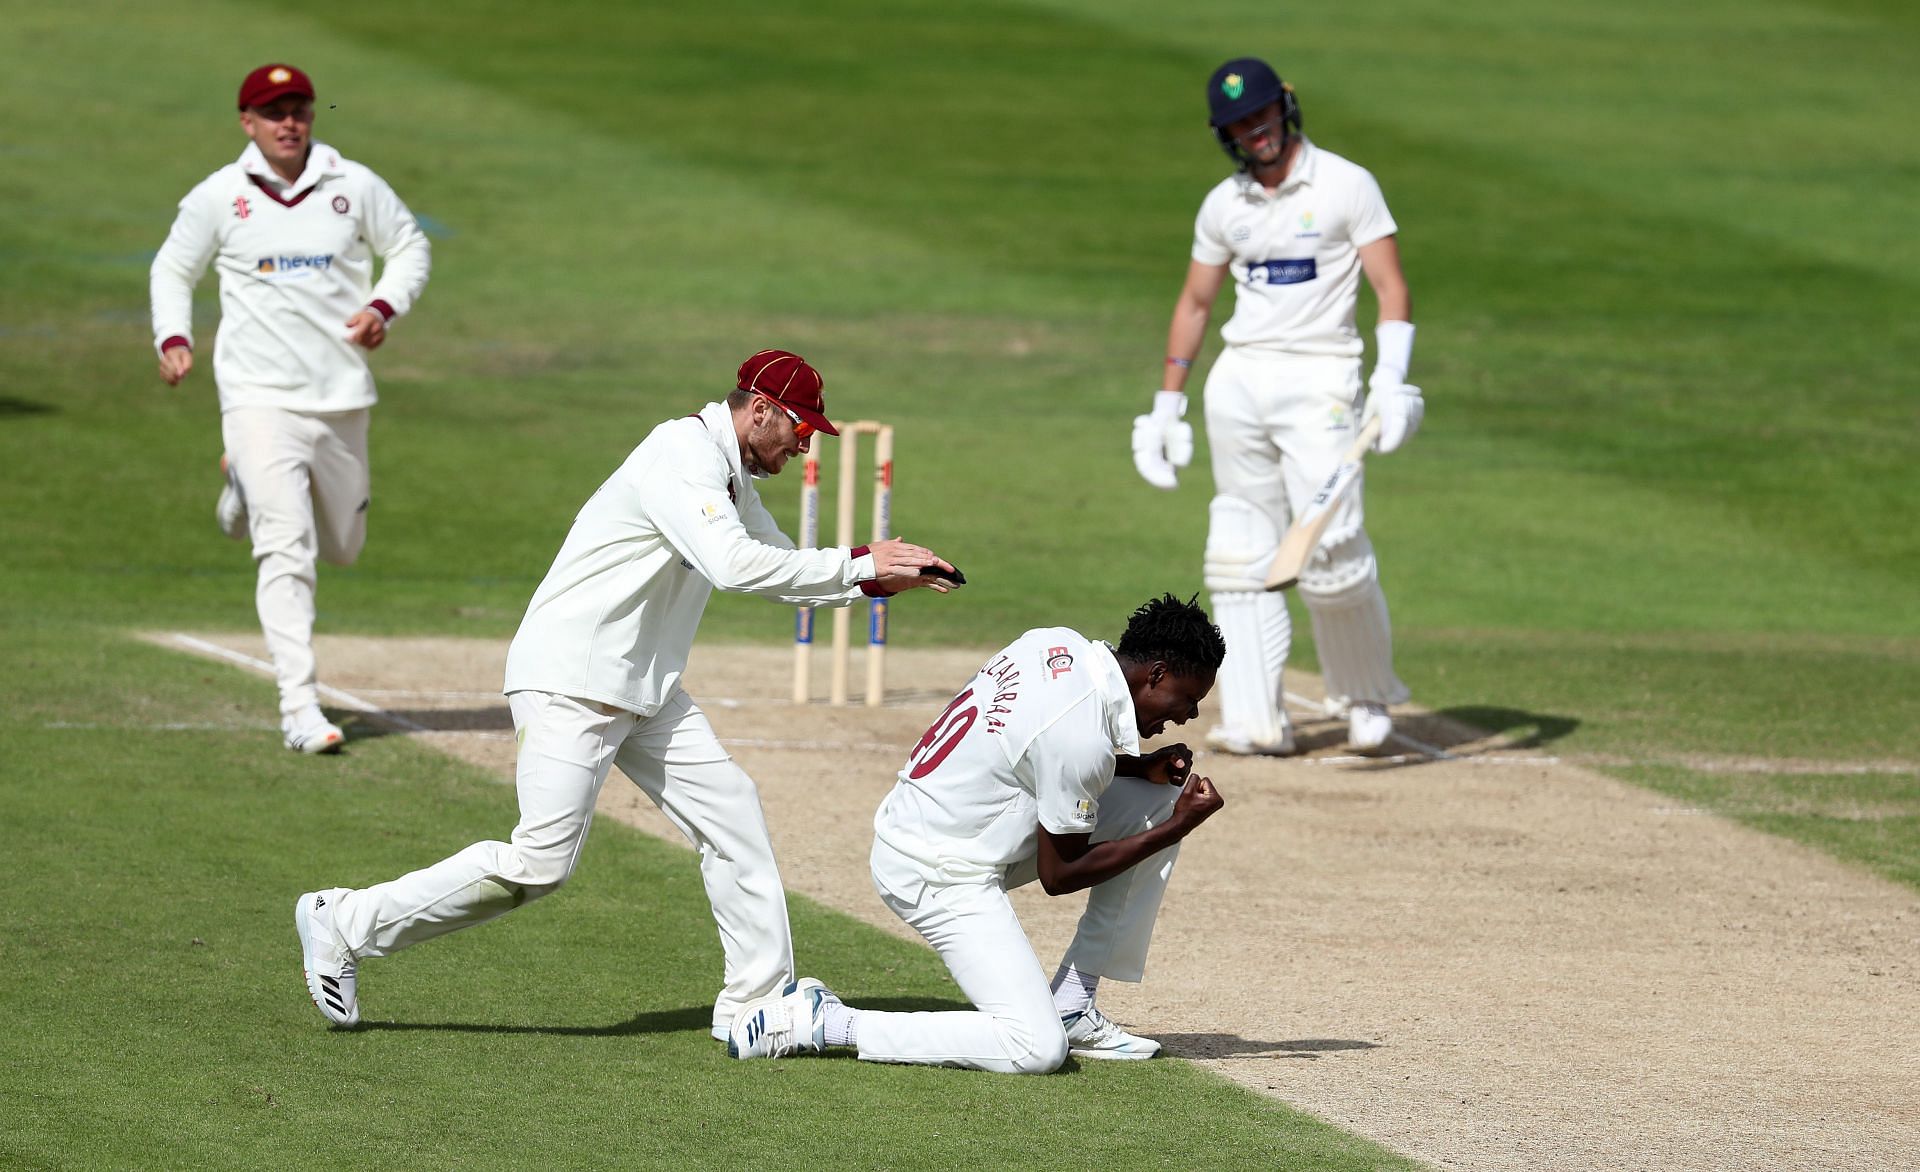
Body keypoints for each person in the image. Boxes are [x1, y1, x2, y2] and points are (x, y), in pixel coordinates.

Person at [293, 350, 960, 1038]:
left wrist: (876, 577)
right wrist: (859, 564)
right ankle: (341, 922)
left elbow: (783, 568)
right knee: (540, 863)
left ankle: (756, 1005)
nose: (805, 443)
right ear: (759, 410)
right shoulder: (681, 454)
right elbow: (731, 566)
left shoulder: (731, 480)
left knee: (733, 813)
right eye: (800, 427)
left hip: (644, 687)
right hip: (573, 680)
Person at [727, 594, 1226, 1073]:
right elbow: (1061, 873)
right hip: (934, 870)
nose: (1190, 715)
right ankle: (828, 1022)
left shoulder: (1056, 644)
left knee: (1154, 801)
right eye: (1189, 698)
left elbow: (1037, 745)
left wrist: (1139, 769)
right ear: (1156, 674)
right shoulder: (1078, 738)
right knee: (1034, 1048)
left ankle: (1074, 1003)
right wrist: (1180, 826)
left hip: (935, 823)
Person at [1130, 57, 1421, 755]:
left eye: (1260, 117)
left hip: (1322, 379)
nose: (1253, 131)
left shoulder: (1348, 185)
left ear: (1283, 110)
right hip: (1240, 382)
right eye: (1238, 124)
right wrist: (1165, 407)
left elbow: (1391, 290)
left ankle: (1364, 695)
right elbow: (1197, 302)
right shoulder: (1224, 205)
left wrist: (1392, 381)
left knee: (1333, 546)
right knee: (1240, 549)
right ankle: (1256, 719)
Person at [149, 63, 433, 754]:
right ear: (247, 122)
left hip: (340, 395)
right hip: (256, 396)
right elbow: (173, 269)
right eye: (272, 111)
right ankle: (300, 708)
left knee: (342, 546)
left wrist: (381, 306)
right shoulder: (220, 195)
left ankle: (242, 480)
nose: (288, 122)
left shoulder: (352, 184)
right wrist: (174, 337)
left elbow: (409, 247)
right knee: (287, 549)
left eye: (299, 109)